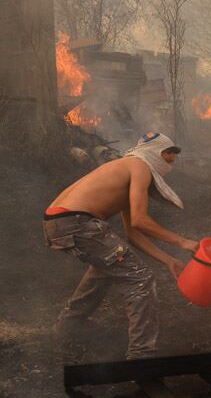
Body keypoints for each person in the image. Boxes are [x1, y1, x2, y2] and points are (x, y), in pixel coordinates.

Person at [42, 132, 197, 359]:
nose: (170, 165)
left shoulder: (126, 168)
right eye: (168, 158)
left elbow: (132, 234)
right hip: (77, 221)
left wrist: (169, 260)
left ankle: (67, 329)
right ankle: (142, 356)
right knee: (140, 277)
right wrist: (183, 241)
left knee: (106, 266)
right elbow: (141, 220)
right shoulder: (140, 166)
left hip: (57, 222)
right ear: (157, 154)